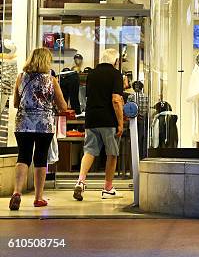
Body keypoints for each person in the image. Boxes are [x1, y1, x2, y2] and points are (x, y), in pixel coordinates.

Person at [9, 48, 67, 210]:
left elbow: (15, 103)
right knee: (40, 158)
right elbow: (63, 106)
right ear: (46, 61)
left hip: (23, 124)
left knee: (23, 157)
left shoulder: (21, 77)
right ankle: (38, 197)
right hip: (44, 124)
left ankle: (17, 192)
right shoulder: (51, 80)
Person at [73, 48, 124, 201]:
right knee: (112, 154)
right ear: (115, 61)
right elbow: (116, 99)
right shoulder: (116, 75)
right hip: (108, 120)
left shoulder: (92, 74)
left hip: (91, 118)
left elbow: (90, 97)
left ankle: (80, 181)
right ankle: (107, 188)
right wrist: (120, 123)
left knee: (89, 151)